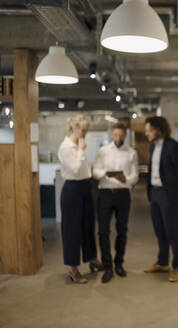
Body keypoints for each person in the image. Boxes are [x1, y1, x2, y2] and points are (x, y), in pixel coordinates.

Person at [58, 114, 103, 284]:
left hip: (85, 187)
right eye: (82, 130)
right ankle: (73, 268)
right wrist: (81, 151)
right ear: (74, 129)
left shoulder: (78, 145)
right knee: (72, 230)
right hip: (72, 189)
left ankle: (92, 258)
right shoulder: (66, 147)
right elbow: (75, 170)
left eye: (86, 130)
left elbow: (85, 169)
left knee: (88, 225)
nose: (85, 133)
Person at [93, 122, 139, 283]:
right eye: (115, 135)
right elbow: (95, 172)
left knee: (122, 230)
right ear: (111, 135)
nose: (118, 138)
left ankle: (119, 263)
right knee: (103, 231)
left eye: (121, 135)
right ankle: (107, 267)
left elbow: (135, 175)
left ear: (125, 135)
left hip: (123, 194)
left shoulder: (131, 153)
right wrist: (106, 172)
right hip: (105, 193)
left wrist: (126, 178)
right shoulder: (103, 151)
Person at [143, 116, 178, 282]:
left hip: (168, 195)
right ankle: (162, 263)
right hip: (154, 192)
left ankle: (177, 266)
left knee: (172, 232)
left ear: (158, 129)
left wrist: (176, 194)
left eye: (149, 130)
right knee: (159, 230)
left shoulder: (174, 146)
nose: (146, 133)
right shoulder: (152, 146)